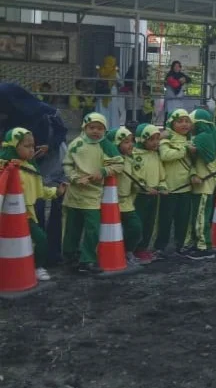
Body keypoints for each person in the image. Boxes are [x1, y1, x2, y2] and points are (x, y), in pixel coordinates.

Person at [0, 128, 67, 280]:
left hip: (27, 215)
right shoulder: (4, 166)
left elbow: (39, 190)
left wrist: (55, 192)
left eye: (32, 146)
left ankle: (37, 267)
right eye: (26, 146)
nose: (31, 150)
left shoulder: (31, 168)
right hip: (6, 215)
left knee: (41, 239)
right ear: (13, 146)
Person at [61, 113, 124, 274]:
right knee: (71, 228)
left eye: (100, 128)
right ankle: (69, 255)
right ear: (84, 127)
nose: (95, 131)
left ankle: (87, 259)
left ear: (105, 130)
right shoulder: (76, 143)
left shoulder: (106, 145)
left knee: (92, 228)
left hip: (93, 195)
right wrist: (75, 178)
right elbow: (67, 164)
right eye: (92, 127)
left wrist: (103, 171)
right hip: (74, 193)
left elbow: (119, 164)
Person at [155, 109, 193, 255]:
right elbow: (165, 155)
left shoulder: (192, 140)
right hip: (169, 188)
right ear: (172, 123)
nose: (184, 124)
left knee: (183, 219)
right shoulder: (166, 139)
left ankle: (181, 244)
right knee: (165, 219)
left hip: (186, 187)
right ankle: (160, 247)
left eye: (187, 121)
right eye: (179, 121)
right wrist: (185, 149)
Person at [186, 108, 216, 260]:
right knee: (200, 215)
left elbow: (205, 158)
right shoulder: (212, 136)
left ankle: (203, 247)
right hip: (203, 182)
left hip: (204, 184)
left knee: (201, 216)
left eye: (190, 123)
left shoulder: (203, 137)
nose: (189, 126)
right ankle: (199, 243)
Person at [106, 127, 143, 266]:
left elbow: (134, 179)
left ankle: (128, 251)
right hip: (110, 203)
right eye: (126, 142)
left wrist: (140, 186)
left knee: (135, 227)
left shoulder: (130, 160)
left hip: (126, 202)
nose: (131, 145)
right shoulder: (110, 161)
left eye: (131, 141)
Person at [131, 123, 167, 263]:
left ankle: (143, 248)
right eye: (151, 139)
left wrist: (162, 186)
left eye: (157, 139)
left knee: (149, 223)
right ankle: (133, 248)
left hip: (154, 195)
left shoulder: (155, 156)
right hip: (139, 196)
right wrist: (144, 188)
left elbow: (162, 175)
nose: (156, 143)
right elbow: (134, 176)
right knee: (137, 222)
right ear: (142, 139)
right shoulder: (135, 156)